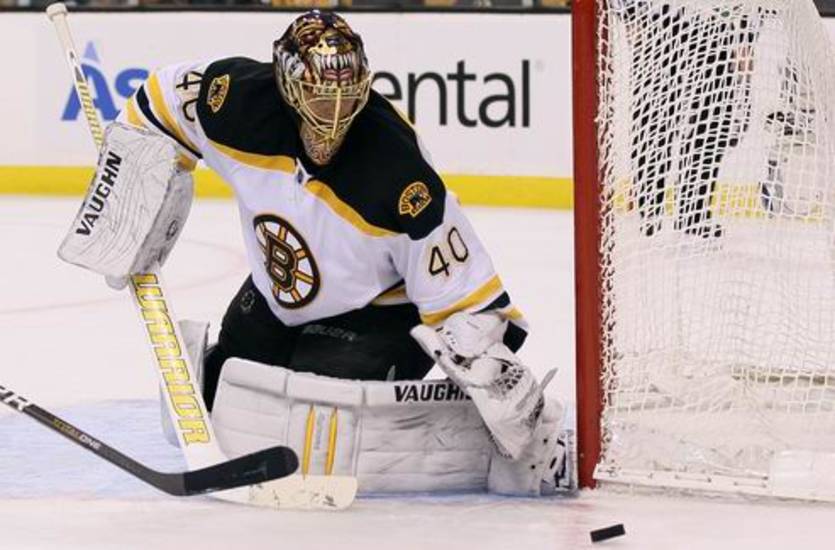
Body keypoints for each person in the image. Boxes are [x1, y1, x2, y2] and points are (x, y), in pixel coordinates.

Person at [79, 10, 570, 495]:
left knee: (313, 415)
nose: (333, 114)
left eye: (346, 95)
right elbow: (160, 100)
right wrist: (130, 200)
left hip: (380, 310)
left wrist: (495, 380)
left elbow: (467, 298)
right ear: (287, 85)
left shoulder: (399, 172)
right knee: (223, 388)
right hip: (278, 293)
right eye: (318, 95)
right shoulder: (236, 102)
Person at [617, 1, 759, 238]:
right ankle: (649, 209)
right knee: (653, 118)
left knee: (712, 120)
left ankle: (694, 212)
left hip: (716, 24)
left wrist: (747, 35)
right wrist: (631, 16)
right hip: (659, 23)